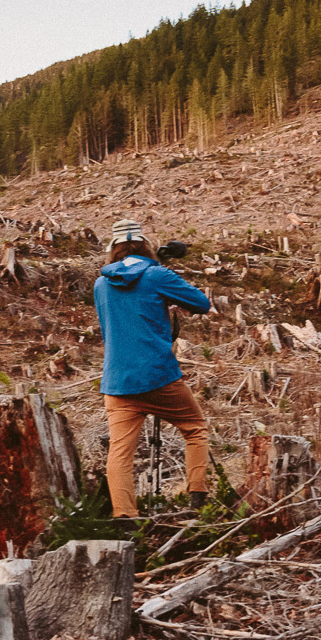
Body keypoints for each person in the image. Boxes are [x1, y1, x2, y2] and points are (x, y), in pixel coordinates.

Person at [93, 218, 215, 517]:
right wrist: (166, 297)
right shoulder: (156, 274)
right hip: (158, 376)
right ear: (146, 245)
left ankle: (125, 518)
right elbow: (200, 303)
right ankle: (198, 500)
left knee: (120, 454)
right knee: (195, 429)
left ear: (113, 249)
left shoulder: (100, 283)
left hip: (117, 382)